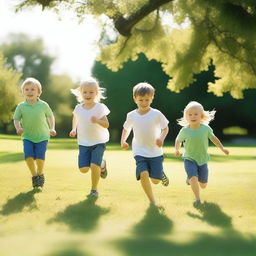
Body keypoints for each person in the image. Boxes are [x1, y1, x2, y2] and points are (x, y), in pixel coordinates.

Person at [121, 82, 169, 206]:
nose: (144, 103)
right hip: (139, 151)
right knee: (143, 174)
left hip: (155, 152)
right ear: (135, 99)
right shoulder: (131, 115)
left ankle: (159, 173)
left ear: (152, 98)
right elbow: (126, 129)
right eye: (141, 100)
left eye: (147, 100)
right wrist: (123, 140)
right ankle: (152, 201)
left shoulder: (157, 114)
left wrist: (161, 138)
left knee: (155, 180)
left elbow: (165, 128)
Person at [175, 101, 229, 207]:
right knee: (193, 177)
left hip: (202, 159)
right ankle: (197, 199)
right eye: (190, 114)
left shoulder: (205, 129)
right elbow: (178, 140)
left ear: (201, 116)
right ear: (186, 116)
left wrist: (222, 148)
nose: (193, 116)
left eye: (196, 114)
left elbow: (214, 139)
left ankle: (191, 179)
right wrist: (177, 149)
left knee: (203, 184)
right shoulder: (185, 130)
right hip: (189, 158)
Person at [69, 77, 110, 198]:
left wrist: (97, 120)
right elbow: (75, 118)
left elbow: (106, 124)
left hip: (99, 141)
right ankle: (103, 164)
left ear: (96, 93)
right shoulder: (78, 108)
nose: (88, 94)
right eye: (85, 92)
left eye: (91, 92)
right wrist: (73, 129)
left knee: (94, 166)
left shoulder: (99, 108)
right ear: (81, 93)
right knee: (83, 169)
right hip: (83, 142)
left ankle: (94, 190)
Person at [13, 77, 56, 188]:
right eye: (26, 89)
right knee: (28, 157)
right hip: (27, 136)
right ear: (23, 92)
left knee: (40, 158)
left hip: (42, 136)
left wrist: (52, 128)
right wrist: (18, 128)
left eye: (32, 89)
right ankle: (34, 176)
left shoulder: (43, 105)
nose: (29, 91)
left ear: (39, 92)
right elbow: (16, 119)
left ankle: (40, 173)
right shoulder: (21, 107)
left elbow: (50, 117)